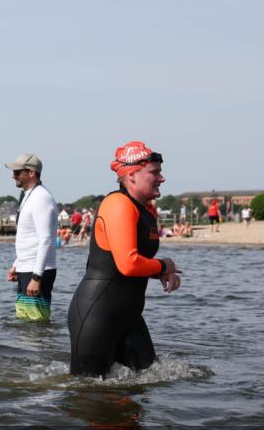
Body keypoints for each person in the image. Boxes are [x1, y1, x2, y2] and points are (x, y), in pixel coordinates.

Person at [67, 142, 181, 377]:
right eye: (155, 172)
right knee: (87, 392)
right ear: (131, 176)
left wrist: (159, 271)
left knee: (150, 380)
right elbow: (128, 264)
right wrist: (164, 265)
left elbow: (128, 261)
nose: (162, 178)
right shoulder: (118, 205)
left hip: (128, 316)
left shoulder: (144, 209)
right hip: (97, 314)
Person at [4, 153, 58, 322]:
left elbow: (46, 239)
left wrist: (36, 277)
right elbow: (28, 236)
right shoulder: (30, 195)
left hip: (37, 271)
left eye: (17, 172)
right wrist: (17, 264)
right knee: (24, 322)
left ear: (31, 172)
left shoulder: (41, 198)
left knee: (36, 324)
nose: (13, 176)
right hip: (26, 268)